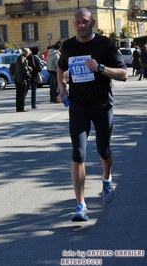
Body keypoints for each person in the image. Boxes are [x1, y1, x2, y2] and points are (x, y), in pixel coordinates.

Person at [57, 8, 127, 222]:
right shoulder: (68, 46)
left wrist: (100, 67)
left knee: (103, 150)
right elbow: (61, 68)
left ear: (92, 23)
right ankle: (81, 205)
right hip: (78, 106)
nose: (81, 25)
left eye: (85, 21)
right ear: (74, 23)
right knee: (78, 154)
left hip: (102, 106)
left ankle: (106, 178)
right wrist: (62, 90)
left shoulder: (104, 44)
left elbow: (123, 74)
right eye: (77, 22)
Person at [13, 48, 32, 112]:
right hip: (22, 79)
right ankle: (22, 107)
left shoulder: (18, 58)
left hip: (17, 78)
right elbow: (24, 70)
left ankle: (18, 107)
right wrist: (29, 75)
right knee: (22, 94)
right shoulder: (25, 59)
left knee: (18, 94)